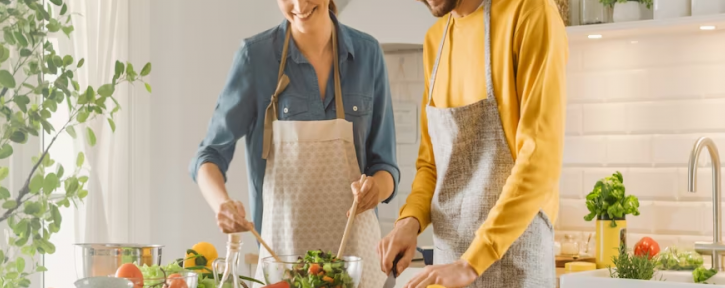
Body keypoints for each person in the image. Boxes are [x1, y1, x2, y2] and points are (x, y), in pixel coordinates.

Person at [189, 0, 399, 286]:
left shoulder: (368, 54)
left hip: (356, 270)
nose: (299, 4)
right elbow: (209, 155)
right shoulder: (255, 58)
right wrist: (222, 204)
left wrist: (377, 187)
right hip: (281, 268)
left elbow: (385, 165)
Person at [377, 0, 568, 287]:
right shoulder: (435, 40)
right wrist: (410, 221)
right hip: (448, 266)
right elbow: (432, 165)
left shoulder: (530, 12)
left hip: (514, 266)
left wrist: (472, 262)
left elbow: (538, 160)